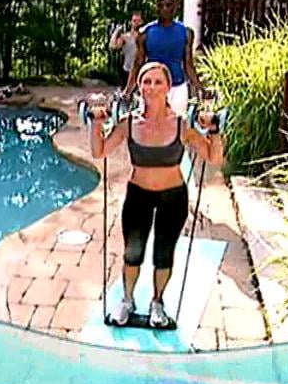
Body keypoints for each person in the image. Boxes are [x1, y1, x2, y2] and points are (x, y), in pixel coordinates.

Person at [88, 62, 224, 327]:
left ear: (168, 87)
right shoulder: (128, 123)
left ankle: (157, 303)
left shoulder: (181, 125)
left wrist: (214, 129)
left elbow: (213, 156)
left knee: (163, 255)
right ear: (139, 87)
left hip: (173, 198)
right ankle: (127, 300)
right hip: (138, 196)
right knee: (132, 254)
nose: (151, 87)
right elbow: (99, 151)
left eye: (157, 82)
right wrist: (96, 123)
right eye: (146, 82)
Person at [123, 0, 204, 115]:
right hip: (152, 87)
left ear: (175, 7)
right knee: (149, 122)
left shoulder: (186, 33)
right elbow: (138, 64)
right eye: (160, 6)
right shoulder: (145, 33)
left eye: (168, 5)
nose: (164, 9)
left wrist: (200, 88)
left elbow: (188, 64)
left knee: (176, 122)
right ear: (156, 8)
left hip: (177, 87)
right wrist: (128, 90)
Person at [109, 12, 144, 89]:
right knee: (125, 93)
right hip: (127, 70)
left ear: (142, 22)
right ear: (131, 22)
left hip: (140, 70)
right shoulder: (126, 37)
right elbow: (113, 45)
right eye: (134, 21)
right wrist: (117, 31)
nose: (136, 23)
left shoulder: (144, 37)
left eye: (139, 21)